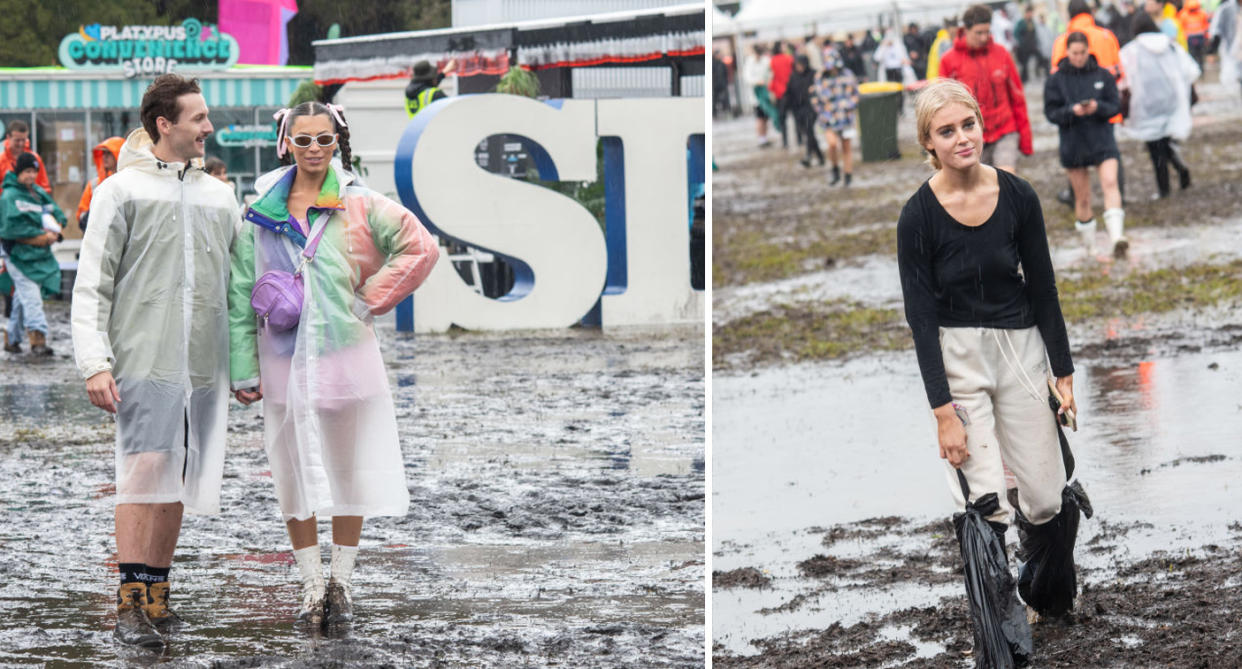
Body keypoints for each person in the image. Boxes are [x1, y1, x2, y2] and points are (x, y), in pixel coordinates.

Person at [227, 101, 440, 629]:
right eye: (303, 140)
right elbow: (237, 291)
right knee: (290, 471)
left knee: (349, 470)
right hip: (281, 357)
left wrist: (369, 298)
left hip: (347, 355)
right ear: (286, 144)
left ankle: (341, 581)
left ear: (338, 141)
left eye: (324, 139)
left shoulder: (362, 204)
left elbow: (421, 247)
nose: (315, 150)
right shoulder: (259, 211)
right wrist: (243, 368)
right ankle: (309, 584)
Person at [897, 78, 1079, 664]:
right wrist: (943, 412)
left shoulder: (1019, 195)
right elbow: (920, 320)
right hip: (958, 358)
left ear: (981, 124)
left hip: (1022, 351)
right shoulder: (917, 216)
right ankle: (1002, 645)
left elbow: (1045, 288)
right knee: (983, 504)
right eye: (946, 132)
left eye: (968, 125)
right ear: (929, 142)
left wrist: (1064, 372)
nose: (962, 139)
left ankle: (1042, 592)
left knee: (1047, 498)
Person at [71, 74, 240, 649]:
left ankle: (157, 592)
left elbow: (239, 286)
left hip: (203, 365)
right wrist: (95, 361)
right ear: (164, 124)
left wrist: (245, 366)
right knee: (142, 472)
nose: (208, 128)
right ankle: (128, 601)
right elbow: (92, 282)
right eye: (198, 118)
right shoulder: (122, 190)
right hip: (141, 357)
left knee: (180, 478)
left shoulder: (221, 196)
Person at [1046, 31, 1127, 258]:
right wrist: (1071, 111)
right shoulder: (1056, 79)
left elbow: (1116, 105)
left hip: (1102, 137)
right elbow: (1050, 112)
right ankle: (1090, 246)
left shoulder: (1103, 74)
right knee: (1082, 197)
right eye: (1075, 53)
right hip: (1073, 142)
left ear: (1088, 50)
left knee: (1111, 182)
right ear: (1067, 52)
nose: (1079, 57)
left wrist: (1097, 108)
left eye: (1082, 53)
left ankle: (1117, 237)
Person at [938, 4, 1033, 174]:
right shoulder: (948, 61)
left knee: (1006, 178)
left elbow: (1017, 97)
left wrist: (1025, 139)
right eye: (978, 33)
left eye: (987, 32)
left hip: (1005, 129)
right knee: (979, 188)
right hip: (970, 136)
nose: (984, 37)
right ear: (965, 30)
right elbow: (941, 107)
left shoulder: (1002, 54)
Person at [1120, 12, 1201, 198]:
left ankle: (1164, 188)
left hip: (1146, 106)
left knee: (1155, 148)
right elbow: (1191, 70)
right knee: (1164, 142)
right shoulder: (1170, 45)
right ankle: (1180, 170)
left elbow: (1124, 79)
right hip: (1171, 102)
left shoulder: (1131, 50)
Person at [1, 152, 64, 355]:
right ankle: (38, 338)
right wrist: (41, 236)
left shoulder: (37, 192)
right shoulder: (9, 196)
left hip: (37, 254)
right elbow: (11, 227)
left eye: (34, 172)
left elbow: (55, 212)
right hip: (17, 254)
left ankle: (12, 337)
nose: (31, 176)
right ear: (19, 171)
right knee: (31, 296)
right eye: (27, 171)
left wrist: (57, 227)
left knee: (22, 295)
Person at [812, 55, 860, 186]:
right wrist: (821, 111)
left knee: (846, 147)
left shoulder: (848, 74)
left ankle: (848, 175)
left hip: (846, 117)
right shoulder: (821, 77)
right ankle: (835, 169)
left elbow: (856, 94)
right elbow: (816, 97)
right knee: (832, 144)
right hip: (828, 118)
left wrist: (849, 104)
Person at [75, 136, 124, 233]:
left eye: (108, 153)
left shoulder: (129, 184)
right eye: (103, 153)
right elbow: (82, 218)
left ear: (119, 154)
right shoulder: (94, 185)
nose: (104, 157)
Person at [787, 56, 822, 168]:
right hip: (799, 109)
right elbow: (790, 93)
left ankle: (808, 155)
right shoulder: (793, 76)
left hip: (812, 108)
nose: (799, 67)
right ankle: (820, 156)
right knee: (808, 132)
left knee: (809, 130)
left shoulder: (813, 74)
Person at [0, 121, 51, 195]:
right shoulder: (1, 161)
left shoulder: (35, 159)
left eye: (23, 140)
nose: (20, 144)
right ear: (8, 137)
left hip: (32, 204)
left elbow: (44, 186)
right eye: (17, 140)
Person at [744, 44, 780, 147]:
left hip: (766, 93)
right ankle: (761, 138)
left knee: (765, 117)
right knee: (760, 118)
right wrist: (758, 82)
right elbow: (747, 78)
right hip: (756, 95)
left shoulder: (765, 61)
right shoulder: (749, 62)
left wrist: (767, 82)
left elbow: (771, 72)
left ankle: (764, 137)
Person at [768, 41, 796, 148]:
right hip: (791, 91)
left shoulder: (772, 61)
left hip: (779, 93)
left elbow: (772, 77)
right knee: (796, 116)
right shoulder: (789, 58)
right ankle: (799, 139)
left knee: (782, 118)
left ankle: (785, 141)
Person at [1178, 0, 1212, 65]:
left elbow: (1205, 25)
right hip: (1193, 37)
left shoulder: (1184, 14)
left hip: (1196, 37)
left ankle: (1198, 68)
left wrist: (1207, 36)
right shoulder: (1185, 14)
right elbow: (1180, 27)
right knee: (1196, 54)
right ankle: (1197, 68)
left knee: (1197, 54)